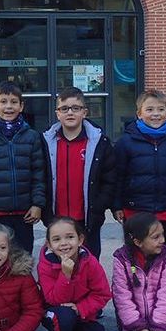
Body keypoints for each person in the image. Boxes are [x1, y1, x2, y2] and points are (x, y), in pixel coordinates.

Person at [0, 81, 47, 253]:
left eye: (13, 102)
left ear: (21, 106)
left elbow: (38, 174)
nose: (8, 106)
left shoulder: (32, 137)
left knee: (22, 257)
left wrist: (37, 204)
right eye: (3, 102)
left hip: (24, 214)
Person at [43, 87, 116, 258]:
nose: (70, 113)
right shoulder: (46, 142)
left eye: (76, 108)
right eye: (64, 108)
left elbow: (110, 178)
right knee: (57, 265)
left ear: (84, 112)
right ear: (57, 113)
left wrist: (99, 205)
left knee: (88, 265)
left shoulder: (99, 142)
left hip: (87, 219)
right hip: (56, 219)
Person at [38, 217, 114, 331]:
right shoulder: (45, 264)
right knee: (65, 315)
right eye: (57, 239)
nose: (64, 243)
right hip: (55, 312)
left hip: (82, 313)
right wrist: (65, 276)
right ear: (49, 245)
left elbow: (103, 294)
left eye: (70, 237)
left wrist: (80, 308)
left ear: (80, 240)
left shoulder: (89, 261)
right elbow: (53, 299)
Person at [112, 89, 166, 243]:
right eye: (149, 110)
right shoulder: (126, 142)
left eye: (160, 109)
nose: (155, 114)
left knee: (165, 253)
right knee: (136, 252)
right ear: (139, 113)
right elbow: (118, 175)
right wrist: (116, 205)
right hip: (135, 209)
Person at [111, 212, 166, 331]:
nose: (162, 240)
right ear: (138, 242)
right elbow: (122, 298)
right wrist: (138, 328)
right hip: (133, 323)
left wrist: (159, 328)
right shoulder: (122, 259)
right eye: (155, 237)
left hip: (160, 320)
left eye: (162, 235)